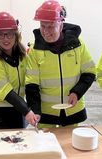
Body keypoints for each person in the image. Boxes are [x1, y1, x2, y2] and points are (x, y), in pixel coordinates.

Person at [25, 0, 96, 128]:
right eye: (43, 26)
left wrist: (77, 92)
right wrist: (35, 110)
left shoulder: (78, 45)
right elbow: (31, 84)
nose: (46, 31)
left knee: (71, 145)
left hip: (73, 109)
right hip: (46, 113)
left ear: (61, 25)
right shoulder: (35, 49)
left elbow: (89, 72)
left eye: (51, 26)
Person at [0, 12, 39, 129]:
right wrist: (27, 111)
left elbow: (30, 82)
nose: (6, 38)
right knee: (3, 142)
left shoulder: (22, 56)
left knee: (19, 141)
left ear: (16, 35)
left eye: (10, 34)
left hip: (17, 107)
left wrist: (33, 108)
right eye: (1, 34)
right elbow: (4, 90)